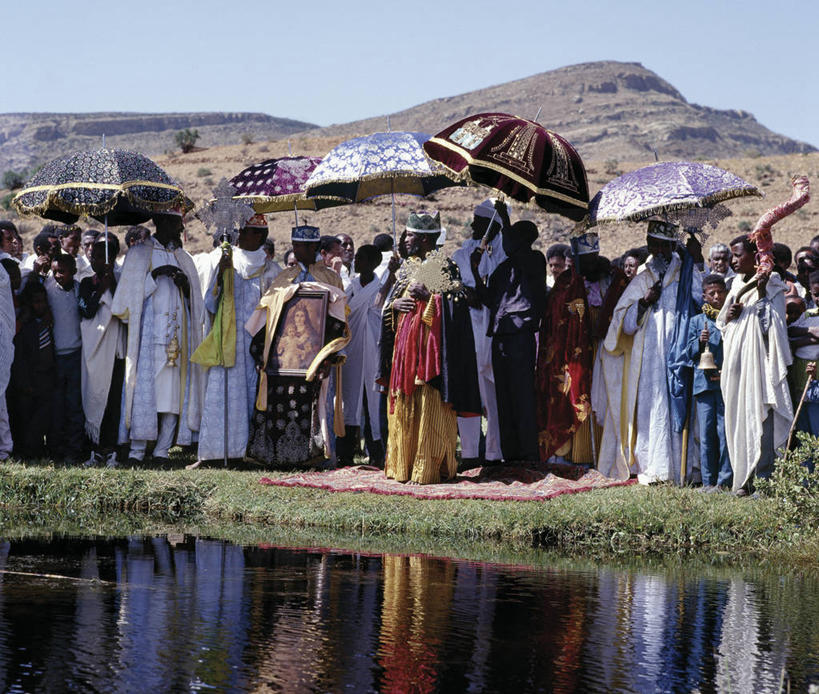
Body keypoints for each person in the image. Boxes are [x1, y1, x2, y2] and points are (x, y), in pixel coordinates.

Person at [380, 211, 480, 483]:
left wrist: (432, 297)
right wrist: (394, 306)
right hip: (404, 354)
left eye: (410, 235)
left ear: (424, 239)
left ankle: (429, 468)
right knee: (405, 405)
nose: (406, 239)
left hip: (431, 356)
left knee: (430, 409)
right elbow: (389, 306)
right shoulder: (406, 268)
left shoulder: (444, 266)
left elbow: (459, 304)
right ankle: (402, 466)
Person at [598, 221, 701, 483]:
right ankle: (653, 465)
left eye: (660, 244)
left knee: (680, 403)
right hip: (648, 357)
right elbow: (623, 321)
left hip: (681, 348)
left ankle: (682, 466)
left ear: (671, 245)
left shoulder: (686, 271)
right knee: (651, 407)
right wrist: (644, 302)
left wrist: (696, 260)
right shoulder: (644, 277)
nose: (655, 250)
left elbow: (703, 301)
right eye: (651, 243)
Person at [246, 224, 349, 467]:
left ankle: (317, 458)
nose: (302, 249)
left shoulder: (330, 278)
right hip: (283, 361)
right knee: (284, 408)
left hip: (316, 358)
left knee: (318, 406)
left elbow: (338, 319)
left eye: (308, 246)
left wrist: (329, 356)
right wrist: (263, 352)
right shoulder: (282, 279)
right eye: (298, 245)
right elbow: (266, 318)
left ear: (315, 247)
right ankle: (279, 457)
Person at [111, 208, 205, 467]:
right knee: (145, 392)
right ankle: (137, 451)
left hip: (177, 339)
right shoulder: (140, 254)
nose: (181, 229)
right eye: (177, 223)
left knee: (172, 396)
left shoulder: (184, 258)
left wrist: (185, 285)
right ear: (161, 222)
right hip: (149, 339)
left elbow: (196, 303)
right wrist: (154, 276)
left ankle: (162, 450)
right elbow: (124, 304)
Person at [193, 214, 281, 464]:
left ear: (259, 236)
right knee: (220, 394)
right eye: (240, 230)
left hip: (257, 343)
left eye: (246, 230)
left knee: (252, 396)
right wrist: (221, 274)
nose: (239, 234)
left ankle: (246, 452)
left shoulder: (272, 270)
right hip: (228, 337)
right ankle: (214, 452)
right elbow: (210, 303)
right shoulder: (226, 260)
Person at [716, 234, 793, 495]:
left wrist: (760, 292)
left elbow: (772, 329)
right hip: (737, 367)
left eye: (738, 255)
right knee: (740, 419)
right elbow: (722, 325)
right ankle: (743, 478)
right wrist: (729, 315)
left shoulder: (772, 284)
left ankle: (764, 480)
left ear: (756, 256)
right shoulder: (736, 283)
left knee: (762, 419)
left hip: (760, 366)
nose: (733, 261)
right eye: (732, 256)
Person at [472, 219, 546, 463]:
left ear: (522, 240)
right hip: (500, 337)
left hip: (520, 336)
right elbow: (489, 299)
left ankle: (528, 453)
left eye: (510, 236)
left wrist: (505, 219)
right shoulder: (502, 269)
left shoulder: (534, 260)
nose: (505, 240)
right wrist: (474, 271)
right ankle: (510, 454)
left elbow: (523, 259)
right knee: (503, 396)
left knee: (522, 394)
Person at [451, 200, 508, 467]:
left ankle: (495, 452)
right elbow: (451, 284)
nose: (473, 225)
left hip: (492, 331)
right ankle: (471, 452)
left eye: (479, 221)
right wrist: (462, 291)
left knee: (494, 394)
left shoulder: (503, 255)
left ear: (494, 226)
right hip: (465, 330)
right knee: (468, 390)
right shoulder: (462, 253)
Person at [337, 245, 390, 467]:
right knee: (350, 399)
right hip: (353, 348)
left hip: (374, 349)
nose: (356, 261)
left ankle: (378, 451)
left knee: (374, 399)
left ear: (372, 262)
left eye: (361, 258)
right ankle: (346, 451)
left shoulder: (383, 286)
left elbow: (381, 308)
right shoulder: (351, 286)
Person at [78, 235, 125, 467]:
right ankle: (93, 448)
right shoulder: (87, 283)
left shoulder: (120, 281)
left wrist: (112, 285)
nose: (95, 260)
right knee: (94, 394)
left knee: (113, 398)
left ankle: (111, 448)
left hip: (114, 349)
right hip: (94, 349)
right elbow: (86, 311)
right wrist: (100, 289)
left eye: (101, 256)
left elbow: (124, 311)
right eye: (94, 256)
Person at [686, 274, 732, 490]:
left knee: (725, 433)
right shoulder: (697, 322)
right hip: (704, 384)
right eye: (711, 293)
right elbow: (686, 353)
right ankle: (707, 481)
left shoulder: (731, 319)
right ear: (704, 296)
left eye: (720, 292)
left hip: (726, 383)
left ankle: (724, 480)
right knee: (706, 434)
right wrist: (699, 342)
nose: (717, 297)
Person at [45, 252, 84, 464]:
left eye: (62, 272)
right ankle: (55, 450)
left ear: (74, 272)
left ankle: (74, 450)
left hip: (76, 356)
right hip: (55, 358)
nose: (58, 276)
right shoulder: (48, 289)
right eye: (54, 272)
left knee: (74, 405)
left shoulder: (79, 290)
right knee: (57, 405)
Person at [9, 280, 53, 458]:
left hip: (46, 378)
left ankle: (38, 450)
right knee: (26, 418)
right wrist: (24, 382)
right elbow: (20, 359)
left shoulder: (49, 320)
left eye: (43, 301)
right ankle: (25, 452)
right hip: (29, 380)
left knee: (42, 418)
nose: (40, 305)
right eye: (36, 302)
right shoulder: (25, 327)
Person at [787, 270, 819, 438]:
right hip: (801, 374)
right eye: (816, 295)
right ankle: (805, 464)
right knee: (802, 427)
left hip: (816, 373)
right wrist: (813, 334)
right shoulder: (808, 314)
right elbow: (791, 333)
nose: (818, 299)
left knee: (816, 426)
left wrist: (806, 337)